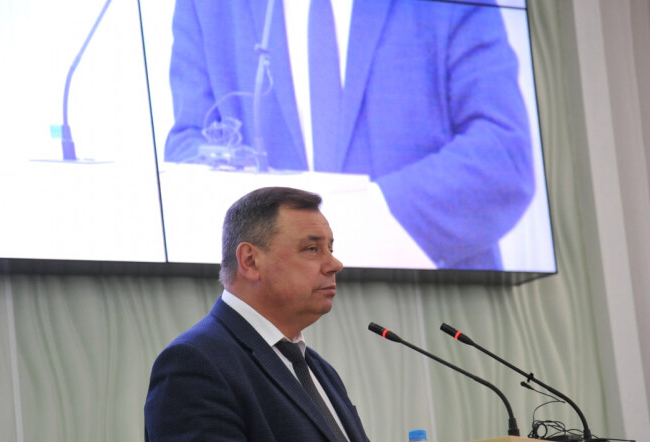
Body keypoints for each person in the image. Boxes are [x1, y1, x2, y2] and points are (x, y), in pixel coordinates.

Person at [163, 0, 535, 270]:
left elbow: (504, 156)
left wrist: (359, 221)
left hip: (435, 305)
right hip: (277, 322)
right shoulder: (206, 6)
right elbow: (188, 149)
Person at [144, 187, 396, 442]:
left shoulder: (316, 368)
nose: (334, 264)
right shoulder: (194, 362)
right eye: (312, 249)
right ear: (250, 261)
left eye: (331, 248)